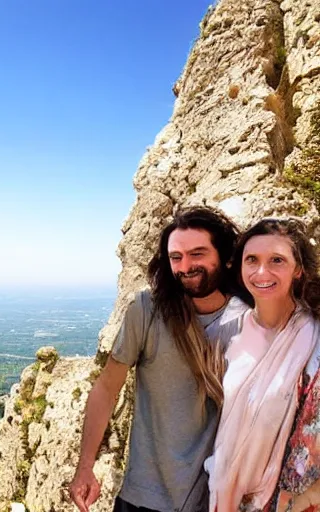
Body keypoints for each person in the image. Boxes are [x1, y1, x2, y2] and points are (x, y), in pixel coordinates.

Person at [69, 206, 246, 512]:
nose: (186, 266)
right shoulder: (147, 310)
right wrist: (86, 466)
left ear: (225, 255)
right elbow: (106, 388)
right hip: (143, 496)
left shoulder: (251, 321)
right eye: (176, 257)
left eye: (198, 253)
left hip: (215, 498)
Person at [206, 218, 320, 512]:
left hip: (291, 503)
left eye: (277, 260)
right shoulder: (226, 333)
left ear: (298, 270)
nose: (261, 272)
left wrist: (302, 499)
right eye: (252, 260)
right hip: (224, 497)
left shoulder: (313, 338)